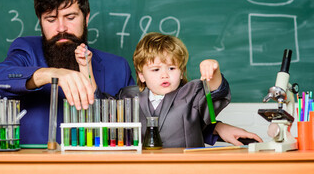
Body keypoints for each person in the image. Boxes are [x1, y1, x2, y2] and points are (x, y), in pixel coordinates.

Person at [0, 0, 135, 144]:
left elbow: (133, 130)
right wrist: (47, 74)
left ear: (86, 18)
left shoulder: (118, 67)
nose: (61, 28)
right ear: (40, 22)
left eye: (70, 17)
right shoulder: (27, 51)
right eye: (51, 19)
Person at [88, 32, 262, 147]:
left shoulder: (191, 94)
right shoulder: (128, 96)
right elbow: (100, 108)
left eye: (171, 68)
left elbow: (216, 94)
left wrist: (213, 71)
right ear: (141, 75)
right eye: (156, 70)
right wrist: (86, 67)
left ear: (181, 72)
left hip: (186, 168)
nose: (164, 75)